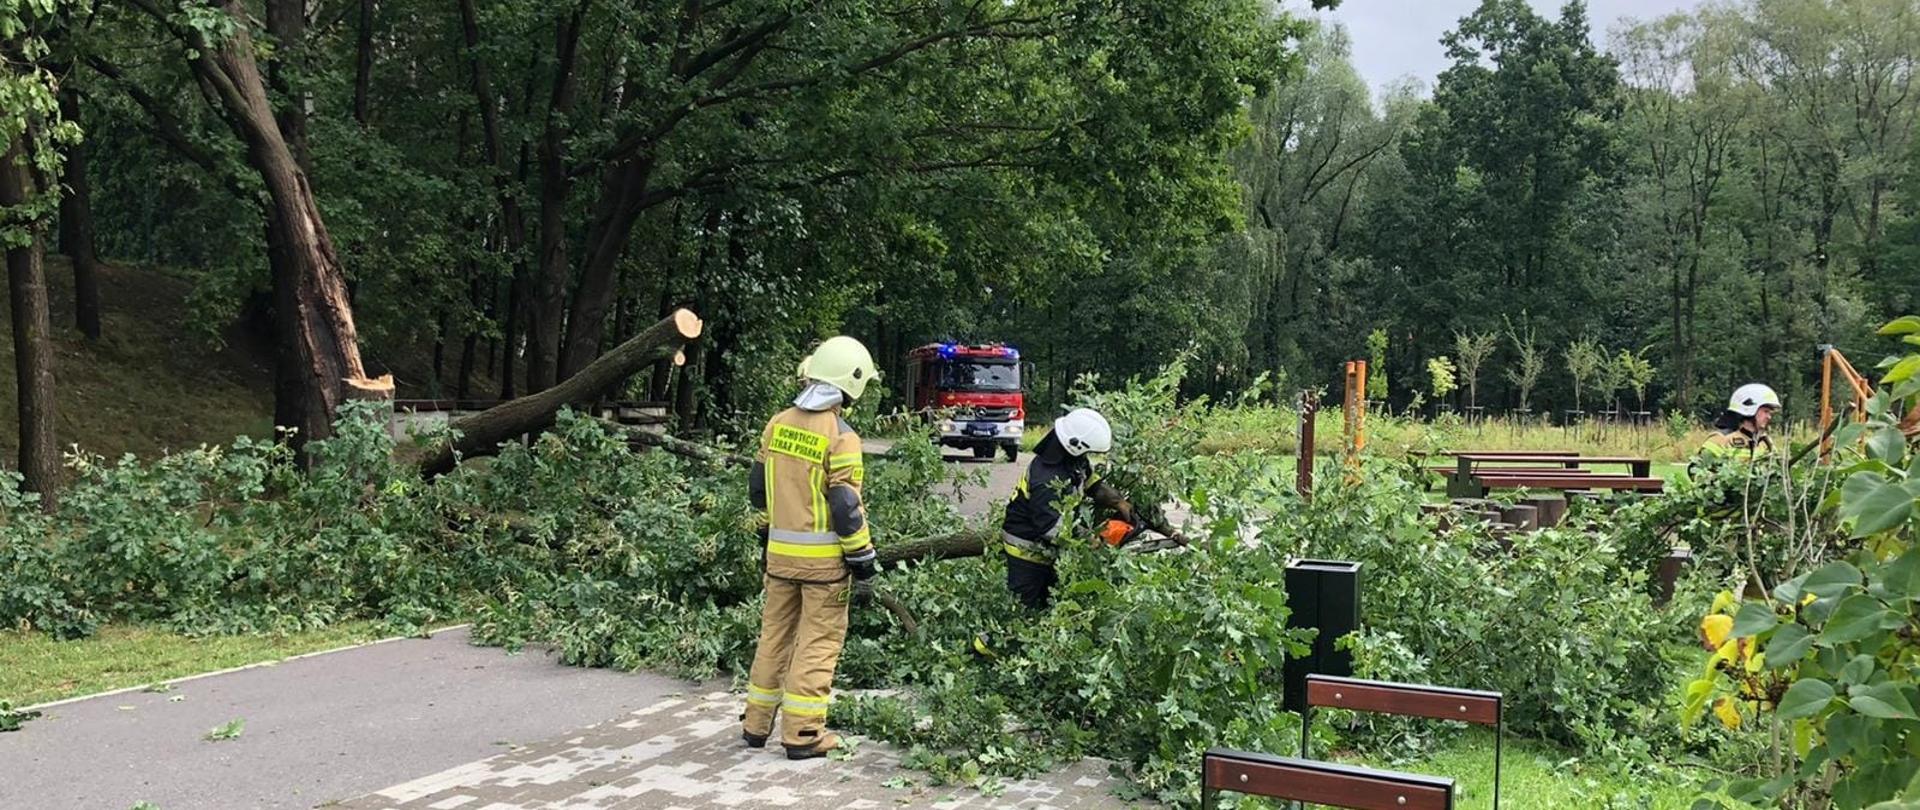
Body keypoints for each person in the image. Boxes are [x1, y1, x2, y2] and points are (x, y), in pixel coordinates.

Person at [739, 336, 879, 760]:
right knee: (817, 644)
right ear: (852, 382)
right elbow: (845, 506)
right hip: (824, 569)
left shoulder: (777, 424)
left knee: (774, 637)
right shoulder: (841, 436)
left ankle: (755, 724)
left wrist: (773, 531)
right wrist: (863, 559)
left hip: (779, 558)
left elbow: (758, 490)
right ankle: (803, 734)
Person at [993, 407, 1180, 614]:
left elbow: (1092, 484)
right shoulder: (1047, 478)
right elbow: (1050, 528)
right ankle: (1000, 634)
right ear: (1075, 444)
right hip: (1026, 548)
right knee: (1022, 612)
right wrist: (1091, 538)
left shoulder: (1070, 458)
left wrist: (1118, 502)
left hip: (1047, 546)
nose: (1087, 456)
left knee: (1048, 606)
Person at [1699, 383, 1780, 462]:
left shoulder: (1765, 443)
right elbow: (1698, 468)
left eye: (1770, 413)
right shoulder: (1720, 439)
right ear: (1749, 408)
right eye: (1765, 411)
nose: (1769, 417)